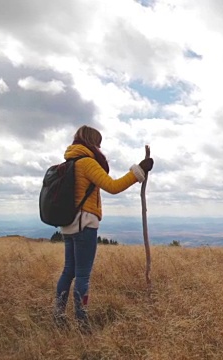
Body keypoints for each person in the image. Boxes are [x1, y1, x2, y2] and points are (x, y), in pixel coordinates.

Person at [53, 125, 153, 332]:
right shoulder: (87, 163)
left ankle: (59, 315)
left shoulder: (69, 162)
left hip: (68, 225)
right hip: (85, 224)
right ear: (92, 142)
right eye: (98, 142)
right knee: (82, 276)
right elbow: (113, 186)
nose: (99, 146)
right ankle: (82, 323)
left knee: (68, 271)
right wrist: (139, 171)